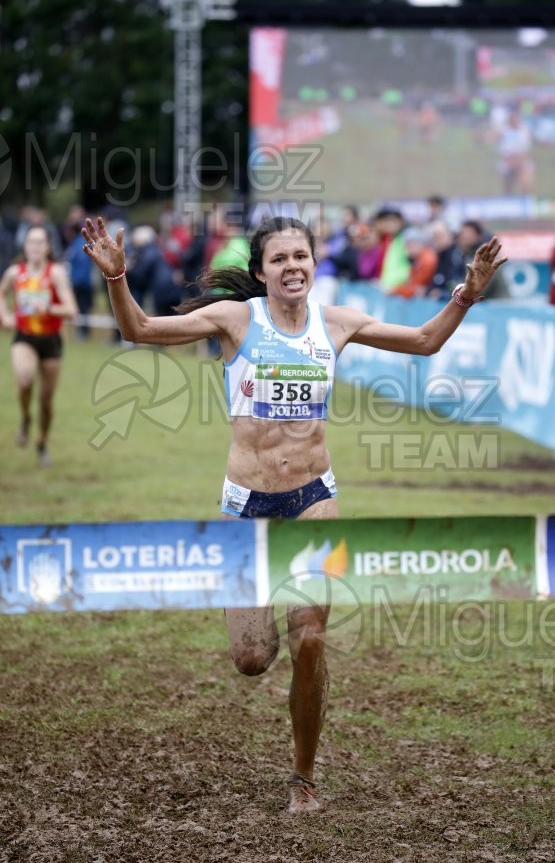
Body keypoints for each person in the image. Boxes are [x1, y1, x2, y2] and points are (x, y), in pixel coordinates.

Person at [81, 213, 506, 813]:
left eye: (301, 257)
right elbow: (142, 330)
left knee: (311, 639)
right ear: (260, 271)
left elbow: (424, 341)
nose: (292, 267)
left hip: (313, 498)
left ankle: (303, 777)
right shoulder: (236, 320)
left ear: (314, 264)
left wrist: (468, 293)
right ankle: (266, 625)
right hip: (247, 505)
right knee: (253, 659)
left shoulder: (336, 324)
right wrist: (117, 276)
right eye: (279, 259)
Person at [0, 225, 78, 465]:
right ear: (25, 246)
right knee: (24, 380)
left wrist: (48, 308)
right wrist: (5, 316)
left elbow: (71, 311)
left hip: (51, 340)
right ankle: (25, 418)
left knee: (46, 400)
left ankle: (42, 442)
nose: (34, 246)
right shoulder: (15, 273)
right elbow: (1, 293)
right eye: (30, 242)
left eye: (39, 242)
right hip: (25, 337)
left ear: (47, 247)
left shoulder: (55, 274)